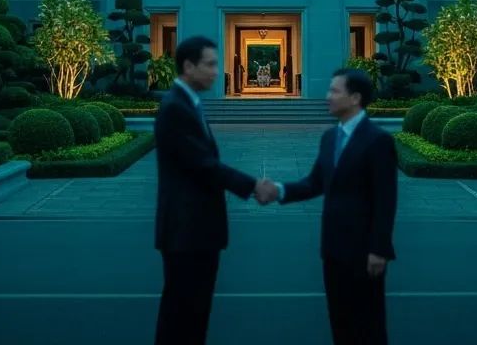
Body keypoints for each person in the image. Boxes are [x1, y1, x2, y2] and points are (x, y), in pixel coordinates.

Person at [255, 67, 398, 345]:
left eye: (334, 91)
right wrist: (278, 191)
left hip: (364, 251)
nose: (327, 96)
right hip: (333, 248)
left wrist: (379, 249)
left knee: (368, 325)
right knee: (340, 321)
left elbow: (386, 199)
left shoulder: (378, 140)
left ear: (355, 98)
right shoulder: (329, 138)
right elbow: (314, 183)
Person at [153, 35, 264, 345]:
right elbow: (203, 165)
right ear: (189, 66)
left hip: (196, 231)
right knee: (182, 317)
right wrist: (253, 185)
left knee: (192, 315)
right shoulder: (176, 107)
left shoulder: (189, 104)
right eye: (211, 64)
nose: (217, 71)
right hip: (186, 232)